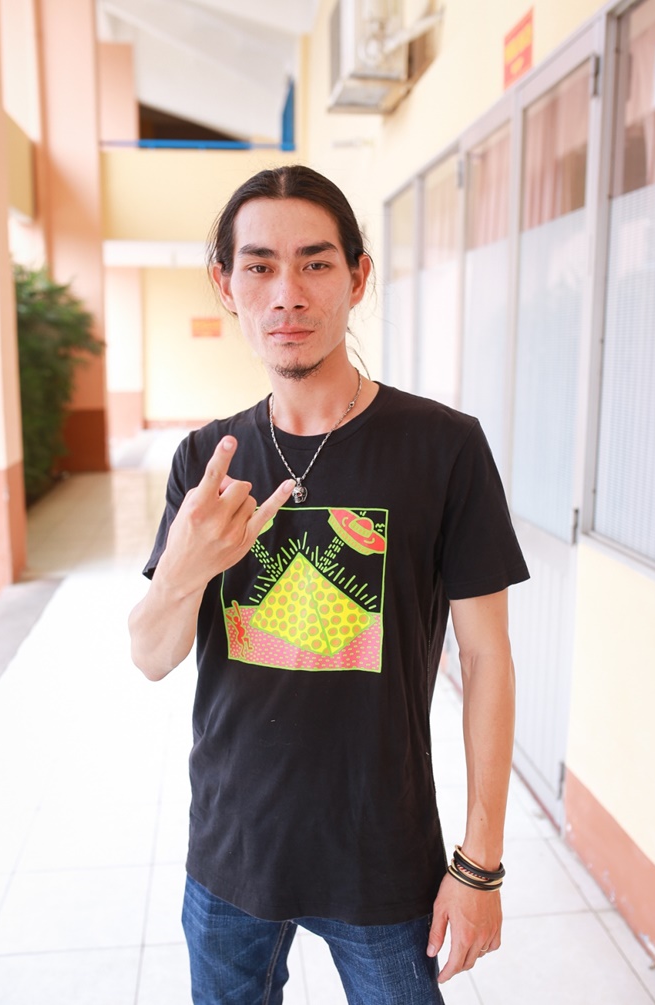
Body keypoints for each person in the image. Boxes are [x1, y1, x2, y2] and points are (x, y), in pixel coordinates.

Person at [128, 164, 529, 1005]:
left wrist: (481, 863)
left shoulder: (444, 448)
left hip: (382, 855)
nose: (287, 294)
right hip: (233, 851)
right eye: (260, 266)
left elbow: (487, 658)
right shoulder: (206, 460)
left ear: (357, 277)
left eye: (315, 263)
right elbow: (152, 654)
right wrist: (187, 567)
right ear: (226, 285)